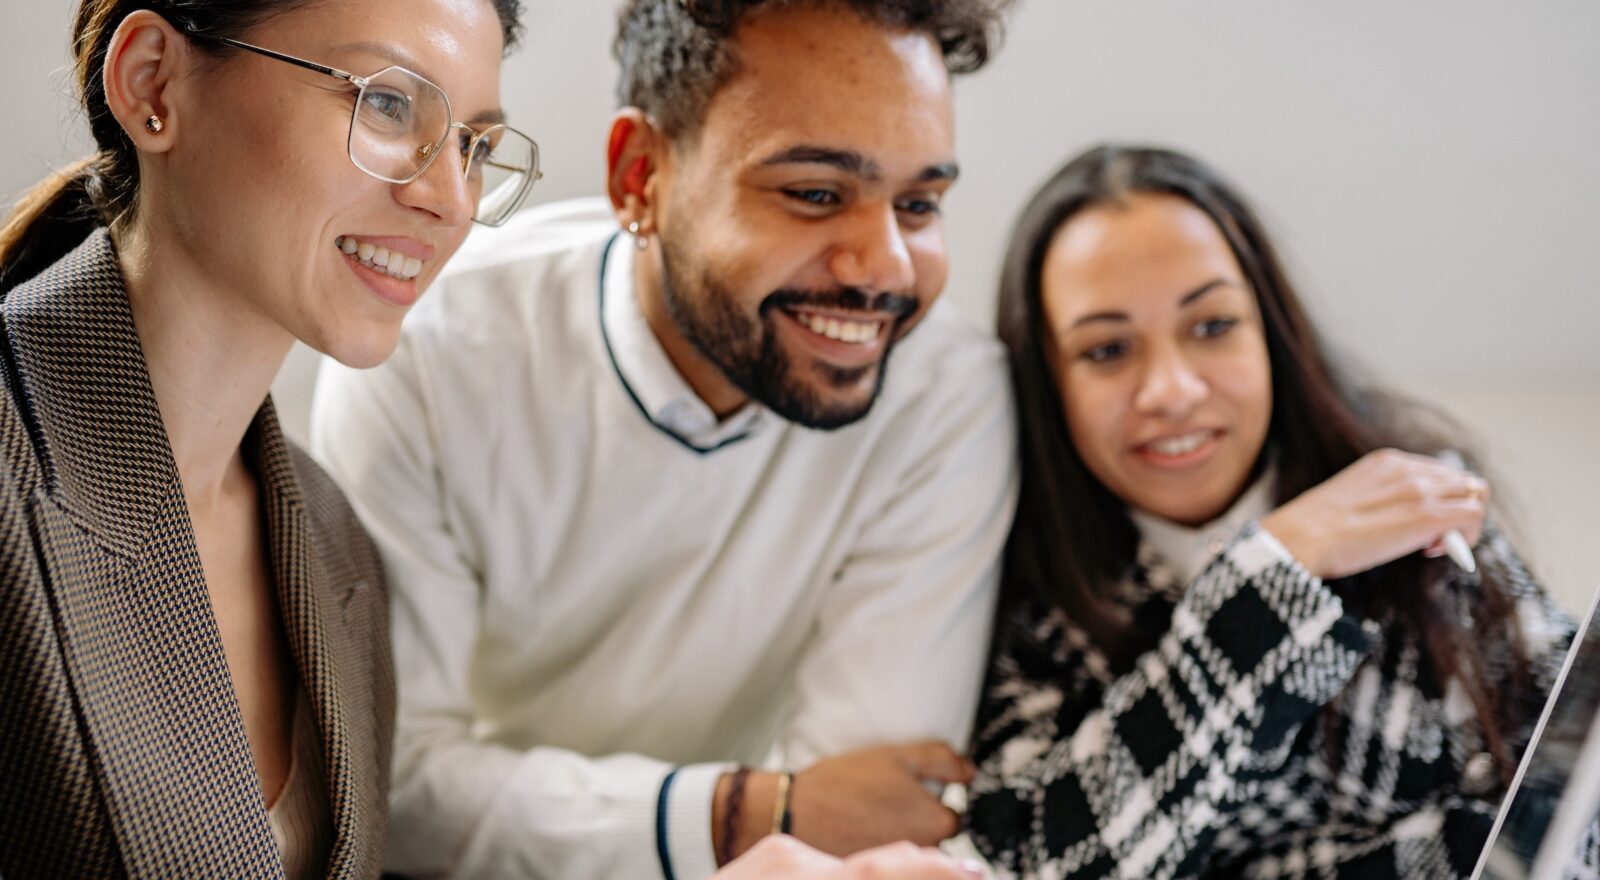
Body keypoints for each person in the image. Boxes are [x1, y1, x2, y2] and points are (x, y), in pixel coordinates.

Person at [308, 0, 1018, 877]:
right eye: (815, 194)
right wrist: (742, 814)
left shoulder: (949, 394)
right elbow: (393, 786)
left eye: (919, 203)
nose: (887, 268)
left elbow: (863, 827)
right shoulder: (427, 351)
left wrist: (776, 823)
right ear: (640, 176)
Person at [0, 0, 536, 875]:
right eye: (391, 104)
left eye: (475, 146)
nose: (449, 199)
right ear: (153, 83)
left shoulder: (335, 546)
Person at [965, 145, 1574, 879]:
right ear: (1047, 382)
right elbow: (1045, 857)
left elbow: (1565, 804)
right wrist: (1270, 574)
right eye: (1107, 349)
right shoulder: (1018, 600)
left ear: (1271, 331)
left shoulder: (1417, 512)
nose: (1172, 389)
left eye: (1212, 326)